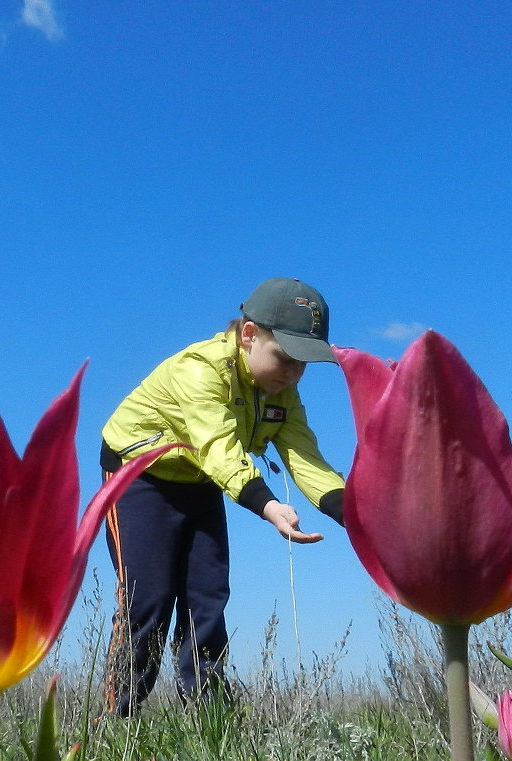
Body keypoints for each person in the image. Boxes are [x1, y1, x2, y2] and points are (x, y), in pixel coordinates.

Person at [100, 277, 345, 716]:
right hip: (139, 478)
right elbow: (218, 448)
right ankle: (114, 721)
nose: (292, 373)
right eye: (285, 357)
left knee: (207, 597)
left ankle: (207, 718)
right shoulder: (200, 369)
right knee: (147, 599)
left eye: (304, 363)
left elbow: (305, 456)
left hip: (199, 480)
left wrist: (355, 513)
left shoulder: (282, 393)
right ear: (249, 335)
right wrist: (269, 506)